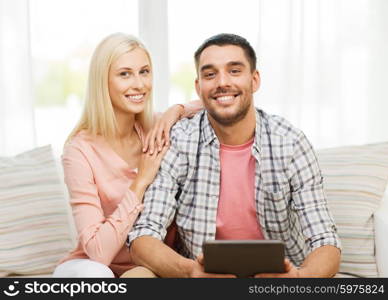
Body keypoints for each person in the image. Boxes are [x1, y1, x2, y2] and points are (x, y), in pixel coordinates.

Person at [125, 33, 341, 278]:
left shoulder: (290, 143)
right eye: (210, 74)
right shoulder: (179, 141)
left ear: (254, 79)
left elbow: (326, 240)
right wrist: (190, 272)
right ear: (198, 87)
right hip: (203, 279)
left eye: (234, 71)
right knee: (136, 278)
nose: (222, 82)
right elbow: (143, 235)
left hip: (279, 280)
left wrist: (299, 278)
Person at [52, 33, 202, 278]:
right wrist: (141, 181)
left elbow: (215, 101)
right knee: (95, 275)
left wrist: (176, 110)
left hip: (146, 265)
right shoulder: (79, 151)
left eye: (144, 72)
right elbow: (98, 252)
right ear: (103, 81)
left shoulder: (156, 128)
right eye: (125, 74)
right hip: (93, 265)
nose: (139, 84)